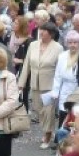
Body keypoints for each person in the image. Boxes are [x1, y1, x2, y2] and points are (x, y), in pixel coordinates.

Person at [17, 21, 63, 149]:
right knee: (38, 109)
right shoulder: (33, 45)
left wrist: (58, 87)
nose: (41, 33)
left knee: (48, 111)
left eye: (44, 31)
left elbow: (60, 68)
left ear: (51, 34)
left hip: (50, 85)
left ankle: (47, 134)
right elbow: (26, 65)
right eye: (40, 30)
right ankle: (46, 130)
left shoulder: (58, 48)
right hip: (35, 84)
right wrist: (21, 83)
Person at [50, 30, 79, 126]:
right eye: (70, 42)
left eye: (75, 42)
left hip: (78, 89)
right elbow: (58, 75)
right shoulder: (62, 56)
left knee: (77, 115)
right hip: (65, 88)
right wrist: (55, 91)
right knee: (63, 114)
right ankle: (61, 138)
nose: (72, 45)